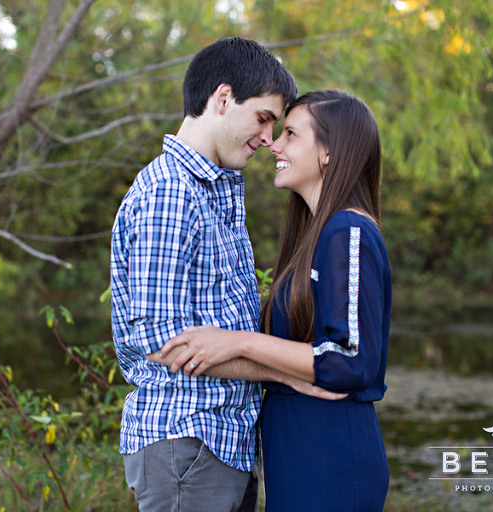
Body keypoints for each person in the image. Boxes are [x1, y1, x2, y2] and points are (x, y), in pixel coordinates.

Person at [156, 90, 392, 511]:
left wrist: (238, 342)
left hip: (332, 460)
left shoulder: (348, 232)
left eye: (290, 134)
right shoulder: (314, 236)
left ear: (328, 153)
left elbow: (351, 360)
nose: (274, 144)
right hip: (297, 458)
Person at [110, 37, 308, 512]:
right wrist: (291, 373)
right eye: (263, 118)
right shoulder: (170, 194)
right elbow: (165, 342)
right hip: (187, 443)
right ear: (222, 99)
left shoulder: (211, 194)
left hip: (220, 445)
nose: (267, 137)